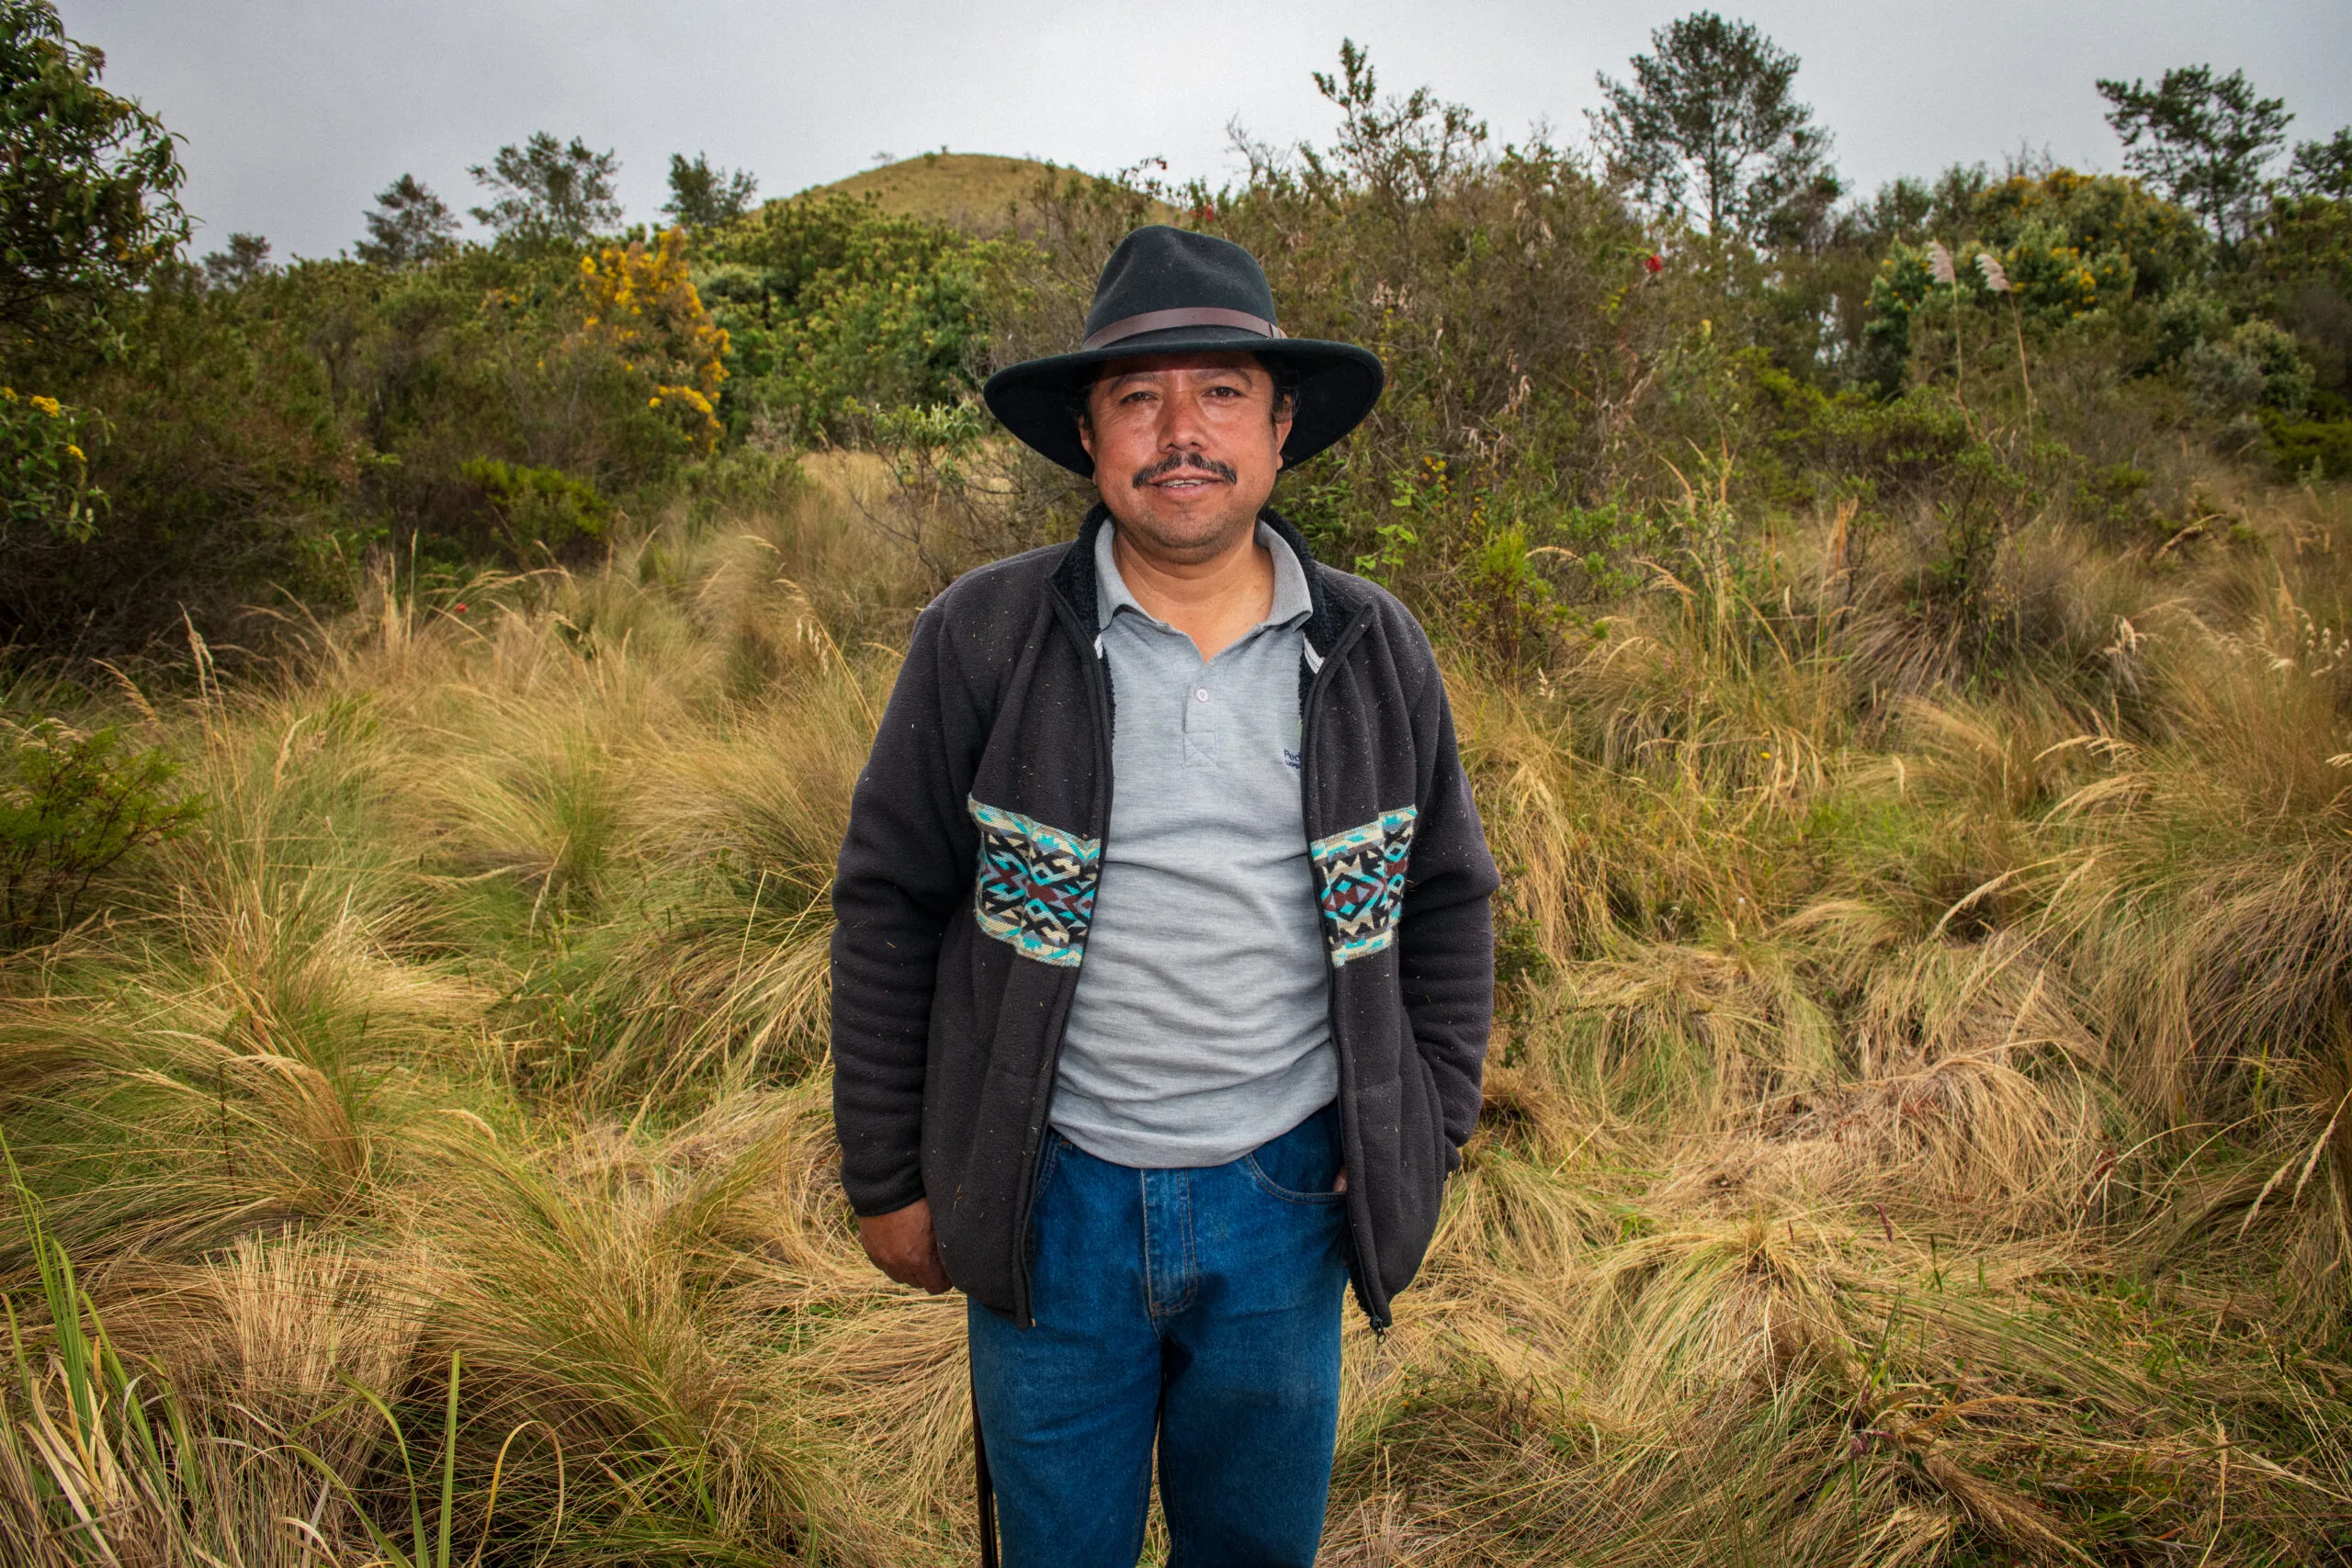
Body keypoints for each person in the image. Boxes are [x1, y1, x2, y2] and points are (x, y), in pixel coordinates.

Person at [829, 224, 1498, 1566]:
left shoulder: (1372, 646)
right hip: (1047, 1195)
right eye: (1139, 397)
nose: (1180, 431)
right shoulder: (984, 636)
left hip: (1289, 1202)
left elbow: (1447, 897)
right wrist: (891, 1176)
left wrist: (1424, 1117)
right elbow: (890, 903)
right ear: (1088, 435)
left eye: (1222, 393)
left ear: (1282, 427)